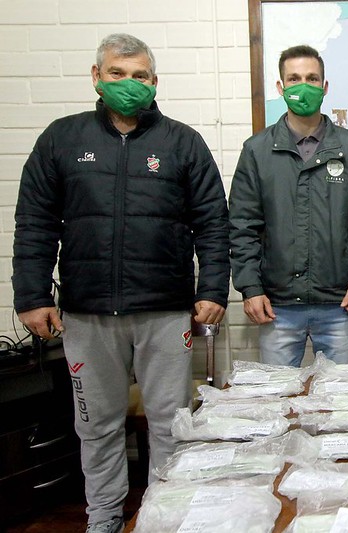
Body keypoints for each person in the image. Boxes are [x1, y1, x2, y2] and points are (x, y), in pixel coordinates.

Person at [12, 34, 229, 533]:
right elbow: (35, 222)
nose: (129, 84)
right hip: (87, 314)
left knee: (172, 426)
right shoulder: (61, 139)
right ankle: (104, 519)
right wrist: (32, 296)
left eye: (139, 76)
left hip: (165, 312)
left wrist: (213, 290)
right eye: (117, 74)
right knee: (96, 426)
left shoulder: (183, 142)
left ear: (154, 82)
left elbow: (213, 223)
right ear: (97, 77)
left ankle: (164, 518)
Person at [229, 45, 348, 366]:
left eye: (312, 78)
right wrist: (250, 288)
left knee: (336, 394)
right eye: (294, 78)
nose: (304, 86)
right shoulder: (257, 151)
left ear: (324, 87)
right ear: (281, 87)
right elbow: (242, 227)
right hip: (277, 305)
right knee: (280, 394)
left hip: (339, 302)